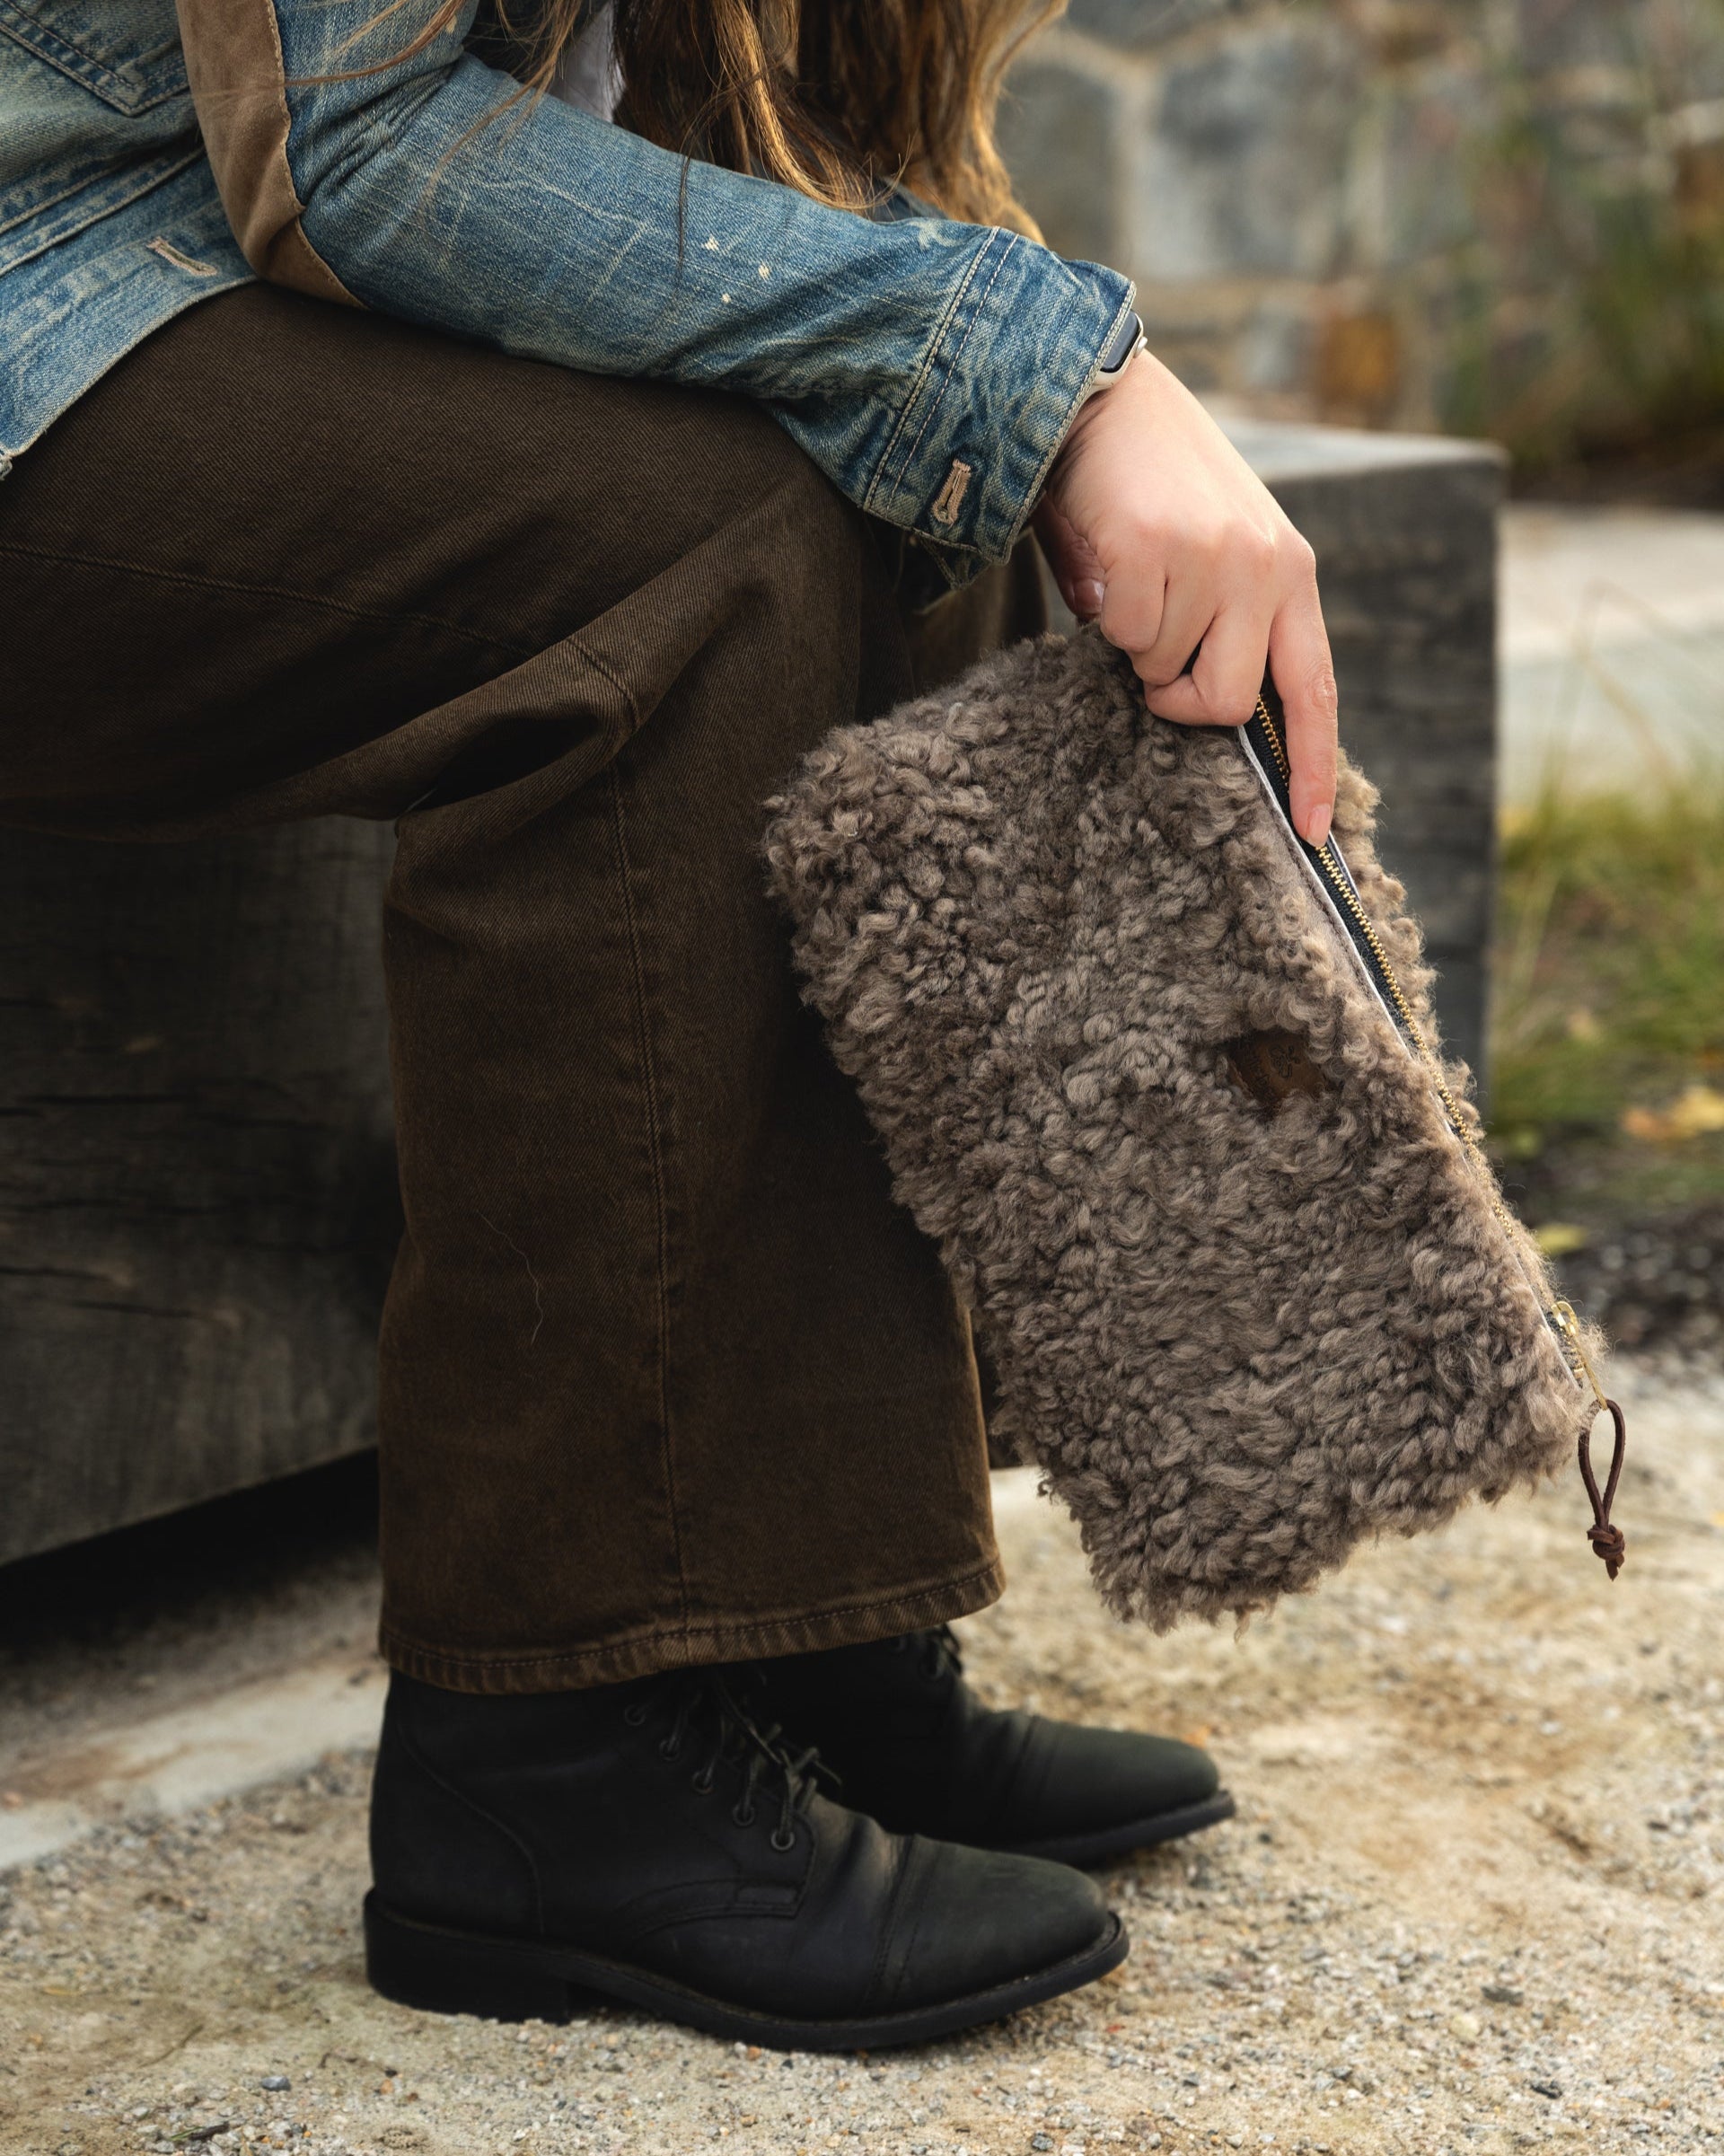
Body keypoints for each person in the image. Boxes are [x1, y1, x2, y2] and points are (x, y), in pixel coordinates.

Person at [0, 0, 1339, 2050]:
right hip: (52, 278)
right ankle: (549, 1753)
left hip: (176, 269)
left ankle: (802, 1626)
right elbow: (361, 153)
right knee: (683, 547)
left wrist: (1038, 398)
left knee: (913, 464)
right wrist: (1072, 369)